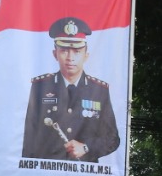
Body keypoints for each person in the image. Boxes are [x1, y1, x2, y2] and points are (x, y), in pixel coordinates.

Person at [21, 17, 120, 162]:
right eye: (64, 51)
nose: (70, 57)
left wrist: (86, 147)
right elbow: (30, 138)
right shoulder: (40, 87)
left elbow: (112, 138)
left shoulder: (99, 91)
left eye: (77, 51)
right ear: (55, 54)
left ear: (86, 55)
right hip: (48, 175)